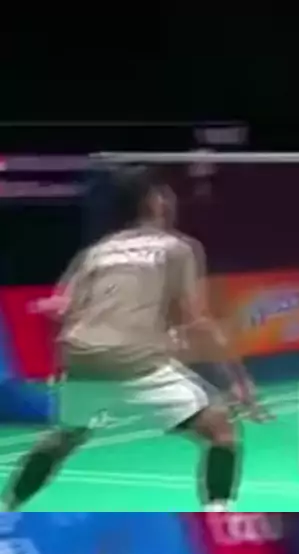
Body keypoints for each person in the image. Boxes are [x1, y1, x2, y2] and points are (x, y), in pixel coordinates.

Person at [1, 165, 264, 511]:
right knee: (221, 432)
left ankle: (8, 504)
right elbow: (196, 320)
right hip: (132, 360)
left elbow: (62, 308)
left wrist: (62, 365)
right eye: (163, 192)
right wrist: (239, 380)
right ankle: (218, 510)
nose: (169, 198)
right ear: (153, 201)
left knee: (65, 436)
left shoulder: (96, 251)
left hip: (79, 356)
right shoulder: (177, 247)